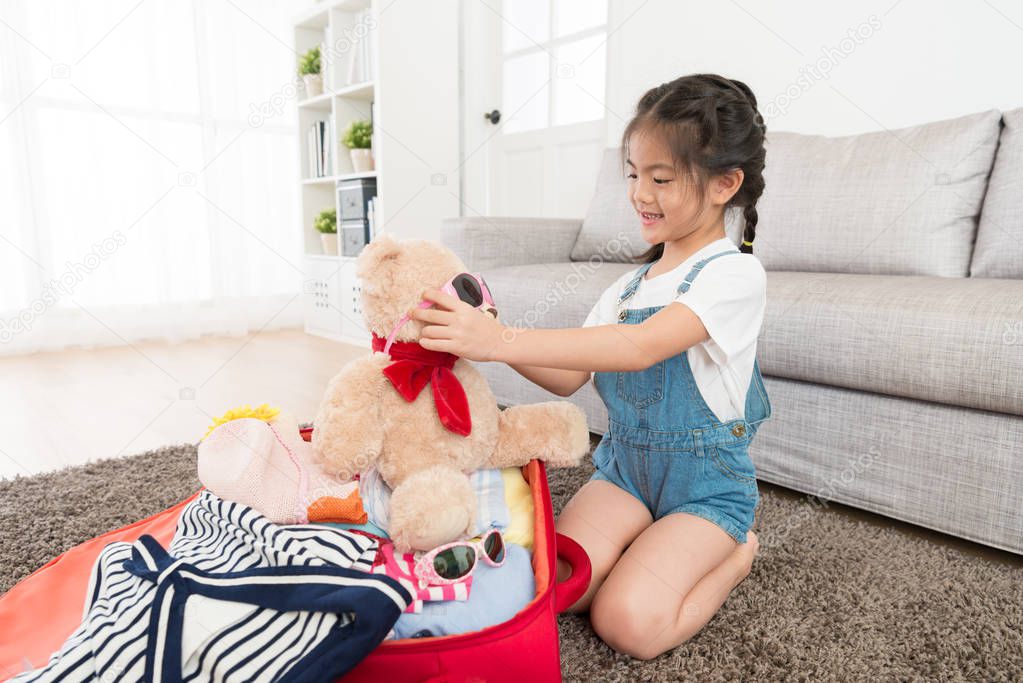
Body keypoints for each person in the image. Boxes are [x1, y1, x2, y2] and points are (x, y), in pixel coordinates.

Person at [411, 73, 771, 660]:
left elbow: (639, 349)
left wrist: (500, 340)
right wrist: (480, 332)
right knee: (555, 584)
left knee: (625, 622)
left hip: (705, 491)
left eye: (660, 178)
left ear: (724, 185)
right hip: (625, 472)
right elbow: (569, 375)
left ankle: (735, 554)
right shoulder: (628, 288)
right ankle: (646, 543)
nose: (638, 194)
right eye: (632, 175)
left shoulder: (734, 275)